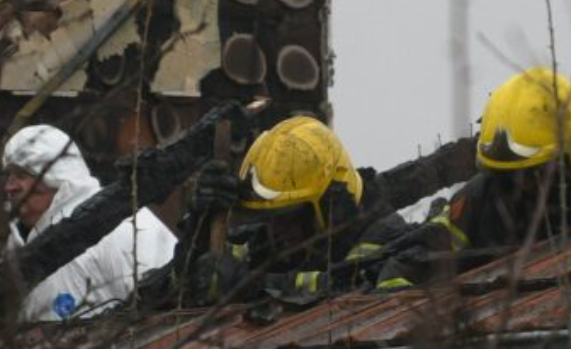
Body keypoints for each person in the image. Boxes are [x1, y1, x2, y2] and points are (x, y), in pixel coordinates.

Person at [374, 67, 571, 289]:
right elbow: (420, 253)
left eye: (535, 172)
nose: (520, 185)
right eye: (508, 175)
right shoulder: (480, 198)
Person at [167, 116, 407, 302]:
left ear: (328, 204)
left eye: (289, 216)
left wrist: (249, 286)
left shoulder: (387, 240)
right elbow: (175, 292)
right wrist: (198, 230)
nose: (278, 230)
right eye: (269, 218)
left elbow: (351, 290)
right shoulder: (268, 244)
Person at [2, 125, 177, 321]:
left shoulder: (120, 224)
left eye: (21, 175)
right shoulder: (15, 244)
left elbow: (169, 309)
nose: (9, 187)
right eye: (8, 175)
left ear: (55, 175)